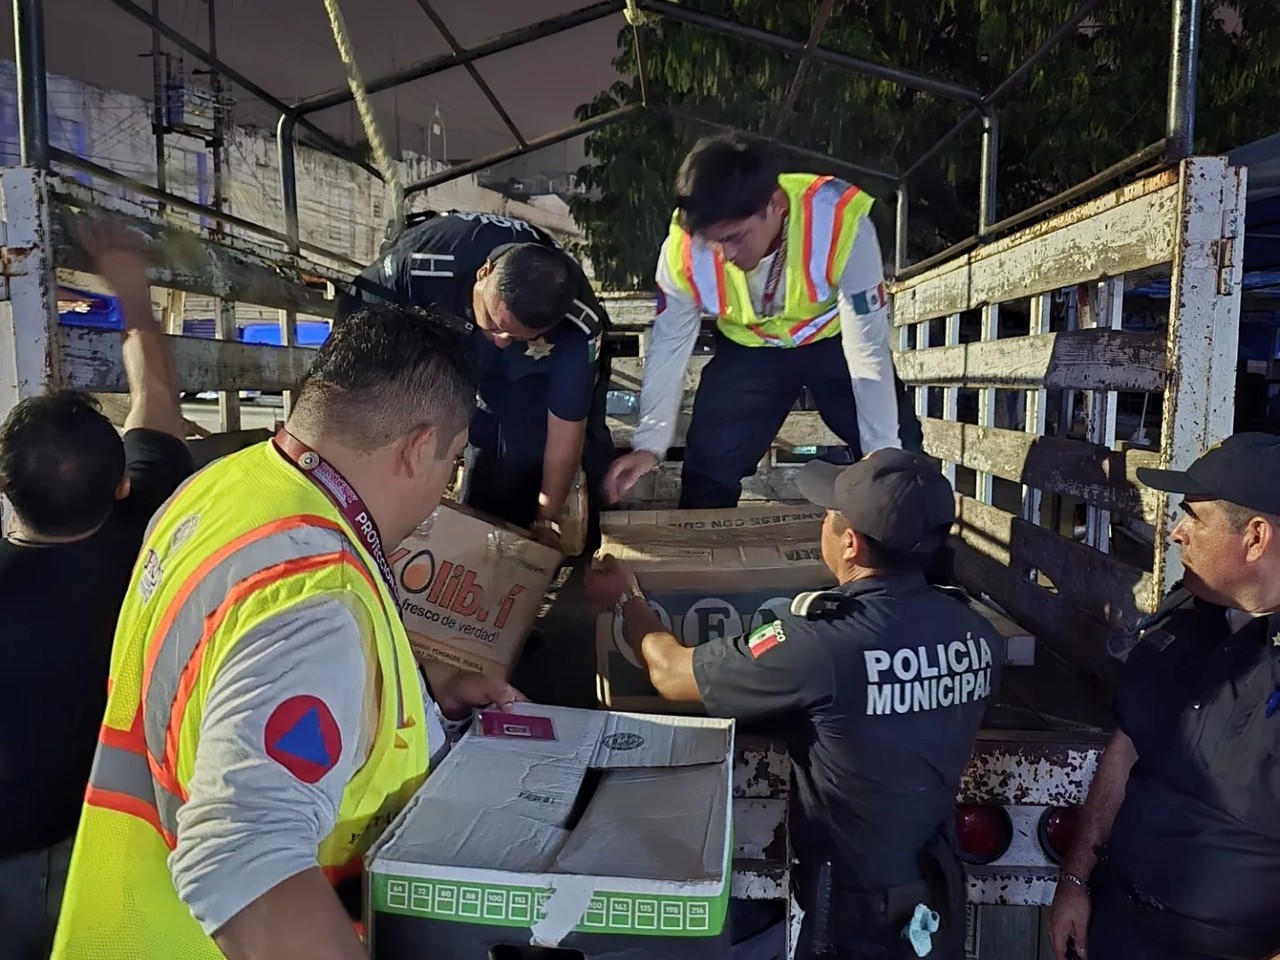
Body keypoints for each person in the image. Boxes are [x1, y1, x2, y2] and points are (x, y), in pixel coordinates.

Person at [52, 302, 525, 960]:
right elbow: (242, 861)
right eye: (451, 464)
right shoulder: (318, 594)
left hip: (118, 914)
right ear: (419, 449)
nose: (445, 487)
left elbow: (227, 662)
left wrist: (421, 692)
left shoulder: (226, 488)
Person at [585, 449, 1002, 959]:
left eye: (829, 513)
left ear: (851, 543)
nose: (822, 521)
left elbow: (671, 674)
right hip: (936, 893)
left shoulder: (822, 643)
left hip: (851, 914)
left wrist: (628, 598)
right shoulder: (975, 633)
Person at [0, 221, 193, 959]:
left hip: (14, 851)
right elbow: (155, 390)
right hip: (120, 828)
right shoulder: (142, 526)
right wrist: (133, 298)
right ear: (119, 482)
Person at [1048, 433, 1280, 960]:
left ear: (1256, 538)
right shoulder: (1185, 615)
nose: (1176, 534)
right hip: (1120, 929)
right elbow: (1127, 745)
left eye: (1194, 518)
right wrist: (1076, 881)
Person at [604, 134, 923, 510]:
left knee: (900, 454)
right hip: (749, 349)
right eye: (713, 242)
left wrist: (882, 456)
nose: (724, 255)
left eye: (735, 237)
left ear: (775, 204)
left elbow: (867, 349)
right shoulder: (683, 251)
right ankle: (700, 560)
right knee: (710, 458)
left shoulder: (840, 224)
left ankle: (910, 552)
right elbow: (670, 343)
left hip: (834, 341)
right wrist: (649, 446)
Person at [344, 210, 615, 550]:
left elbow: (565, 429)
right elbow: (354, 329)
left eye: (514, 334)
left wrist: (545, 520)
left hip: (532, 367)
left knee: (522, 451)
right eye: (495, 322)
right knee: (458, 443)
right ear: (484, 273)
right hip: (447, 326)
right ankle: (461, 541)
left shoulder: (577, 325)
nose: (501, 338)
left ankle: (506, 558)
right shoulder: (421, 264)